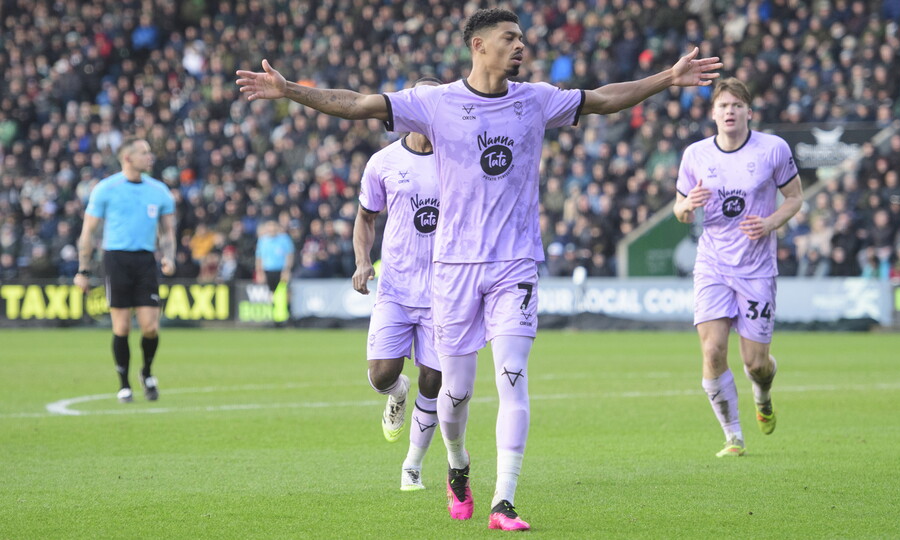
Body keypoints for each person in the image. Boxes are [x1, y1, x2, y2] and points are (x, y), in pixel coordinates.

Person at [237, 7, 720, 529]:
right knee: (455, 394)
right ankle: (457, 464)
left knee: (513, 376)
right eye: (509, 37)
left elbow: (602, 98)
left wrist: (667, 78)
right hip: (453, 269)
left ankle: (503, 501)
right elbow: (357, 104)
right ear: (478, 45)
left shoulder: (535, 99)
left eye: (521, 37)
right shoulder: (436, 102)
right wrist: (290, 91)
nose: (520, 45)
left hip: (515, 264)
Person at [673, 78, 803, 457]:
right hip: (712, 264)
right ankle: (733, 437)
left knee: (755, 363)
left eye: (736, 105)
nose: (729, 111)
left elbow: (795, 197)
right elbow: (680, 211)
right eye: (723, 106)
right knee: (713, 351)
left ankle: (763, 395)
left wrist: (770, 223)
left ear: (749, 112)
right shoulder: (695, 155)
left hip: (756, 268)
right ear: (713, 113)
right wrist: (688, 205)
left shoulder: (773, 149)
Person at [352, 77, 443, 492]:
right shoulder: (383, 161)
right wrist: (362, 261)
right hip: (396, 288)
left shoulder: (457, 160)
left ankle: (413, 465)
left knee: (434, 380)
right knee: (381, 375)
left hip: (444, 290)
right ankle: (396, 392)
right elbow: (365, 217)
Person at [74, 139, 176, 403]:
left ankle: (147, 372)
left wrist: (168, 257)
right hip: (116, 259)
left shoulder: (159, 191)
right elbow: (88, 232)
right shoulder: (106, 189)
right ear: (127, 158)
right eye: (144, 152)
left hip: (145, 260)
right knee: (121, 326)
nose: (150, 156)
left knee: (150, 327)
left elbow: (167, 231)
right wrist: (83, 269)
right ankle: (124, 384)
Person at [254, 219, 294, 293]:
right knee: (271, 293)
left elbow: (289, 255)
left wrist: (287, 270)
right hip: (268, 270)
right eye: (269, 226)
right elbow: (259, 257)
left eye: (273, 225)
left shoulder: (285, 239)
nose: (272, 228)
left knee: (285, 292)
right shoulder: (262, 240)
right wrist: (259, 272)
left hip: (281, 270)